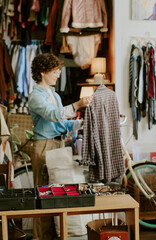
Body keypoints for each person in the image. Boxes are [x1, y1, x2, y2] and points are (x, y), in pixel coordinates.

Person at [28, 53, 92, 240]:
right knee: (42, 193)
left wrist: (82, 123)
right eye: (54, 72)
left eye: (58, 71)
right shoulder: (35, 96)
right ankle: (41, 237)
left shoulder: (53, 94)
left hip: (57, 143)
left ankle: (55, 235)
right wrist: (77, 104)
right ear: (42, 72)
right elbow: (53, 115)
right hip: (44, 145)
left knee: (55, 193)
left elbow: (61, 123)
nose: (57, 75)